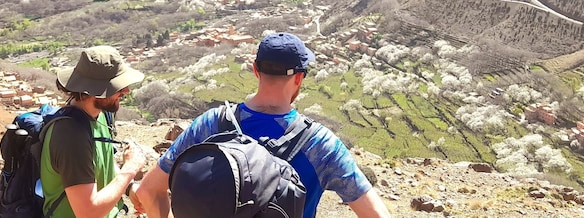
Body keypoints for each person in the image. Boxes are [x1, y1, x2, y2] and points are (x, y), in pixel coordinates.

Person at [134, 32, 391, 218]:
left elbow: (148, 191)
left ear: (255, 70)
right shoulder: (320, 144)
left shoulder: (211, 124)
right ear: (299, 78)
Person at [40, 46, 148, 218]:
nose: (126, 91)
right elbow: (88, 213)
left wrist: (129, 188)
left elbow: (101, 165)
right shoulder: (70, 136)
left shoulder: (101, 115)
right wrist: (130, 169)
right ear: (94, 91)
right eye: (117, 87)